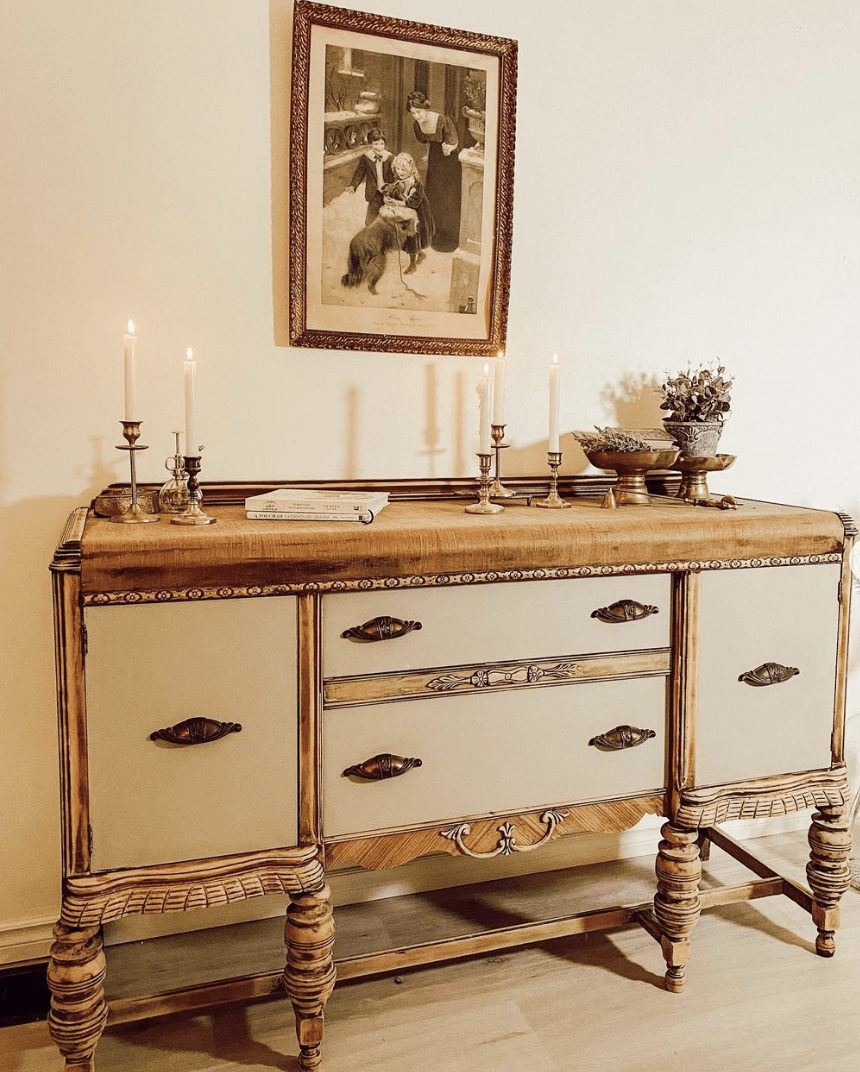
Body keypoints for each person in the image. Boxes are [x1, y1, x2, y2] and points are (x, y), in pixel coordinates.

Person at [406, 91, 462, 252]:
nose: (416, 116)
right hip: (435, 160)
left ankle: (449, 238)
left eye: (419, 111)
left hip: (450, 160)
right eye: (413, 113)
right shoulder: (417, 125)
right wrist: (429, 155)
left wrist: (449, 147)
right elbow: (426, 142)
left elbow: (454, 141)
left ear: (426, 108)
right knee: (433, 194)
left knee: (448, 197)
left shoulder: (441, 120)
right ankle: (434, 235)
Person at [381, 153, 434, 274]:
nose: (400, 172)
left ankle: (412, 264)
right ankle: (420, 253)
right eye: (398, 169)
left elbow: (413, 203)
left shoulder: (416, 184)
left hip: (418, 216)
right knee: (407, 237)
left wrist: (396, 202)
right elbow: (392, 191)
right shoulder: (398, 181)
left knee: (413, 237)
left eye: (403, 169)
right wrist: (387, 198)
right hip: (405, 213)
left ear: (411, 169)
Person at [346, 128, 395, 225]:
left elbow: (395, 175)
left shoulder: (390, 157)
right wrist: (353, 186)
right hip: (374, 193)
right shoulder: (366, 157)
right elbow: (359, 173)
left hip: (388, 193)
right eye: (375, 144)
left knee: (388, 218)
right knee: (370, 220)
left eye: (382, 144)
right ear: (370, 144)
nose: (379, 147)